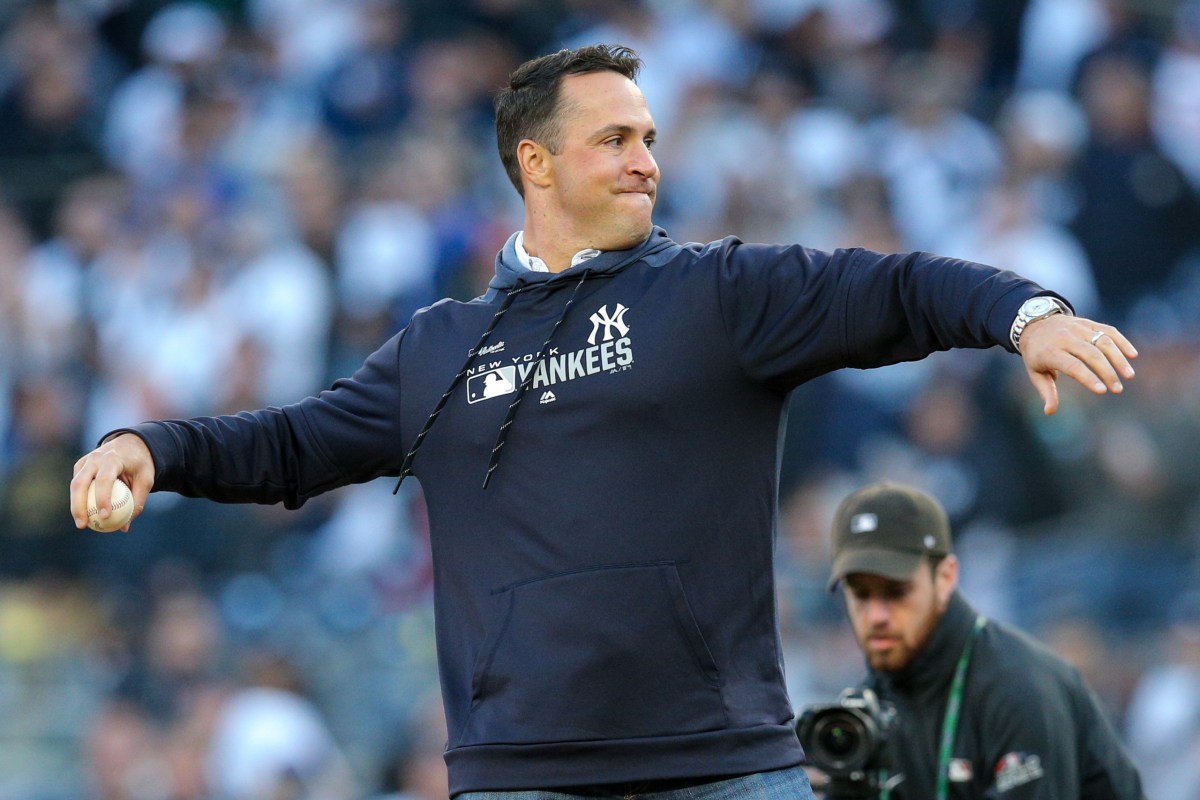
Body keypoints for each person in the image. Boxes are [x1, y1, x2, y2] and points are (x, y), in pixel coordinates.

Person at [71, 44, 1138, 799]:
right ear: (535, 163)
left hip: (725, 764)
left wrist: (1022, 312)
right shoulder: (440, 346)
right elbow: (291, 445)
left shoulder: (720, 294)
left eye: (651, 137)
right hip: (521, 771)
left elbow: (893, 290)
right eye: (614, 139)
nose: (647, 160)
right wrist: (148, 445)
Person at [821, 481, 1146, 799]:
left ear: (946, 577)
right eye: (860, 595)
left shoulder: (1018, 685)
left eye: (896, 592)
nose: (876, 615)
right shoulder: (866, 706)